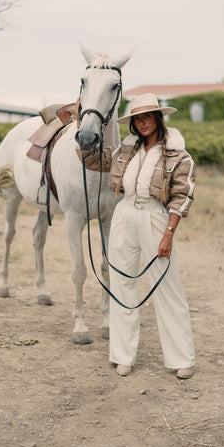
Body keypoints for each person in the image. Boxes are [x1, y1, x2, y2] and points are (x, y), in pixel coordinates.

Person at [78, 93, 196, 379]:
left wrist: (168, 234)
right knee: (122, 284)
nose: (142, 123)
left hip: (156, 218)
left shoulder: (178, 155)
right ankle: (123, 355)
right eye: (137, 119)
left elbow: (182, 196)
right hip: (124, 213)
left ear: (158, 118)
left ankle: (182, 358)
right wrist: (81, 130)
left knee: (167, 287)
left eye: (147, 117)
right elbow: (92, 159)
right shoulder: (125, 150)